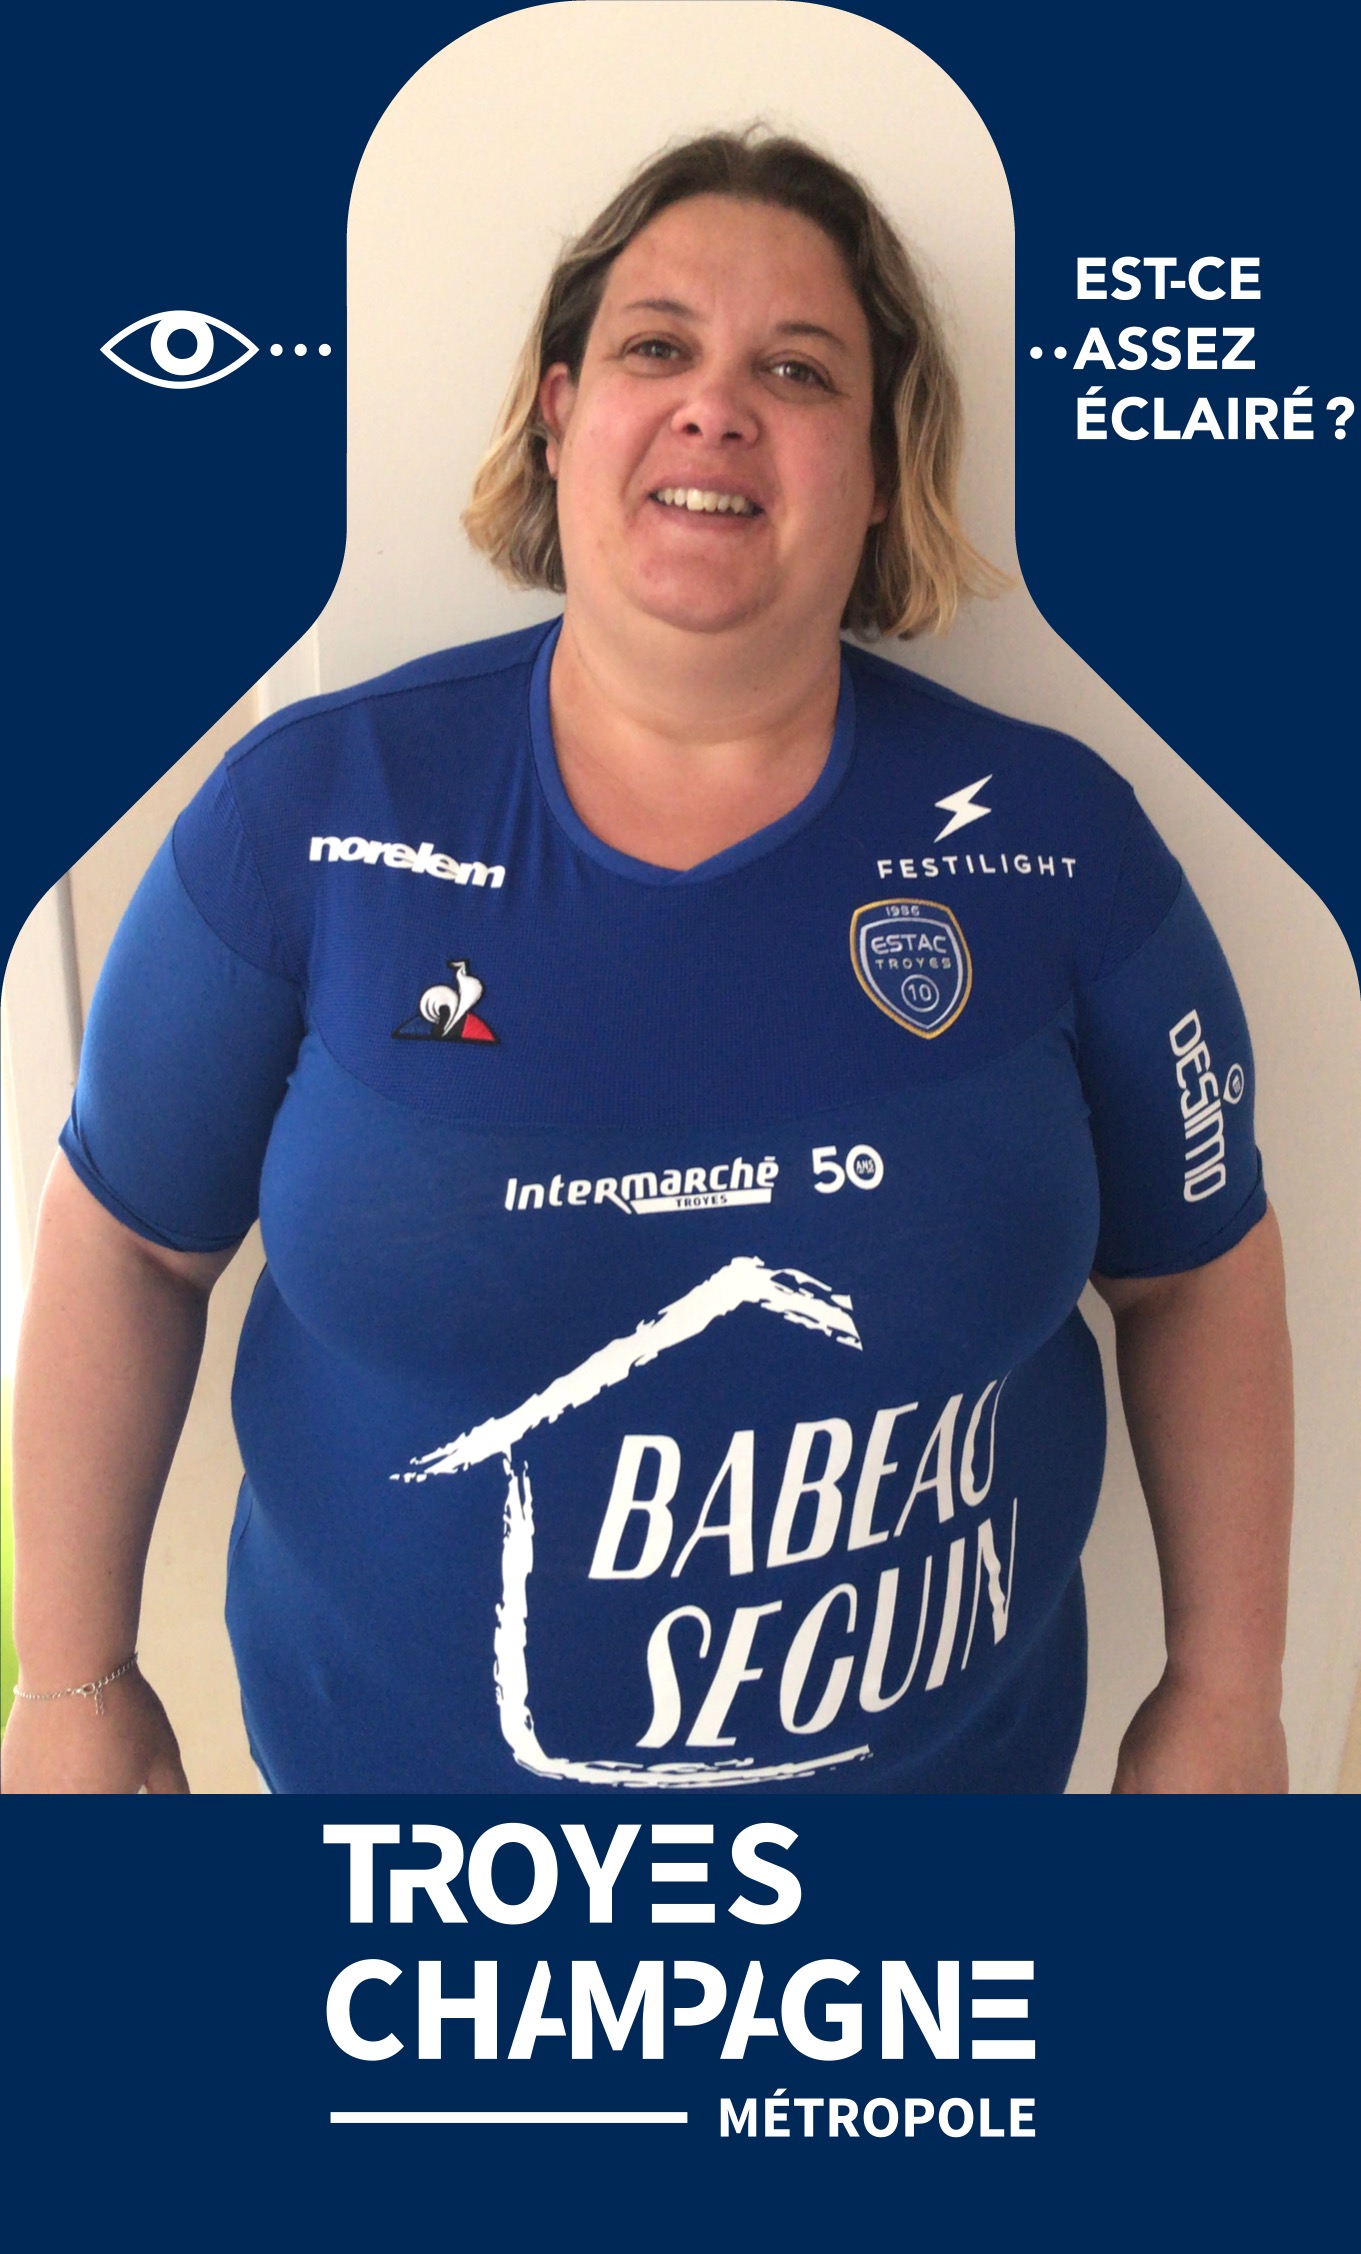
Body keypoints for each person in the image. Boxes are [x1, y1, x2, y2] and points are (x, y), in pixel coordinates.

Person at [2, 130, 1291, 1796]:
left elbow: (1196, 1271)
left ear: (880, 467)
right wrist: (75, 1681)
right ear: (559, 415)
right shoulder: (309, 817)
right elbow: (124, 1241)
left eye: (797, 369)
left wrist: (1223, 1693)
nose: (714, 407)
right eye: (655, 347)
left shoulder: (1058, 843)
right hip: (403, 1882)